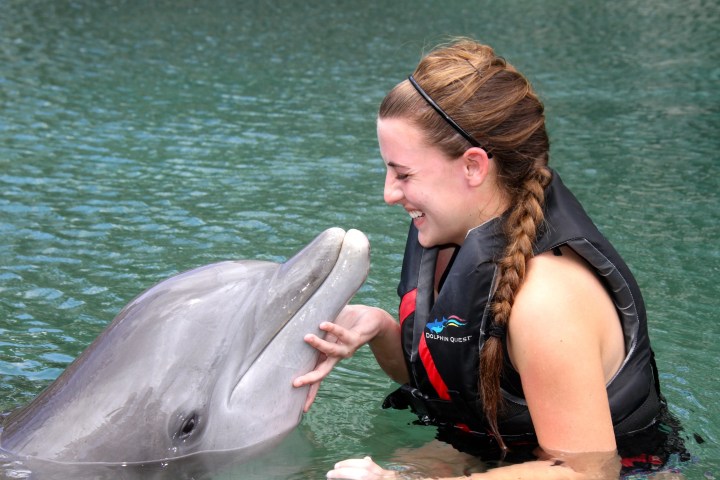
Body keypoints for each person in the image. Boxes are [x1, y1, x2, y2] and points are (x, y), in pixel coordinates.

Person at [293, 38, 686, 479]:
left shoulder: (546, 299)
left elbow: (586, 471)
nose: (389, 194)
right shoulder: (452, 237)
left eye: (403, 174)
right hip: (498, 455)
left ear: (474, 167)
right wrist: (381, 328)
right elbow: (456, 381)